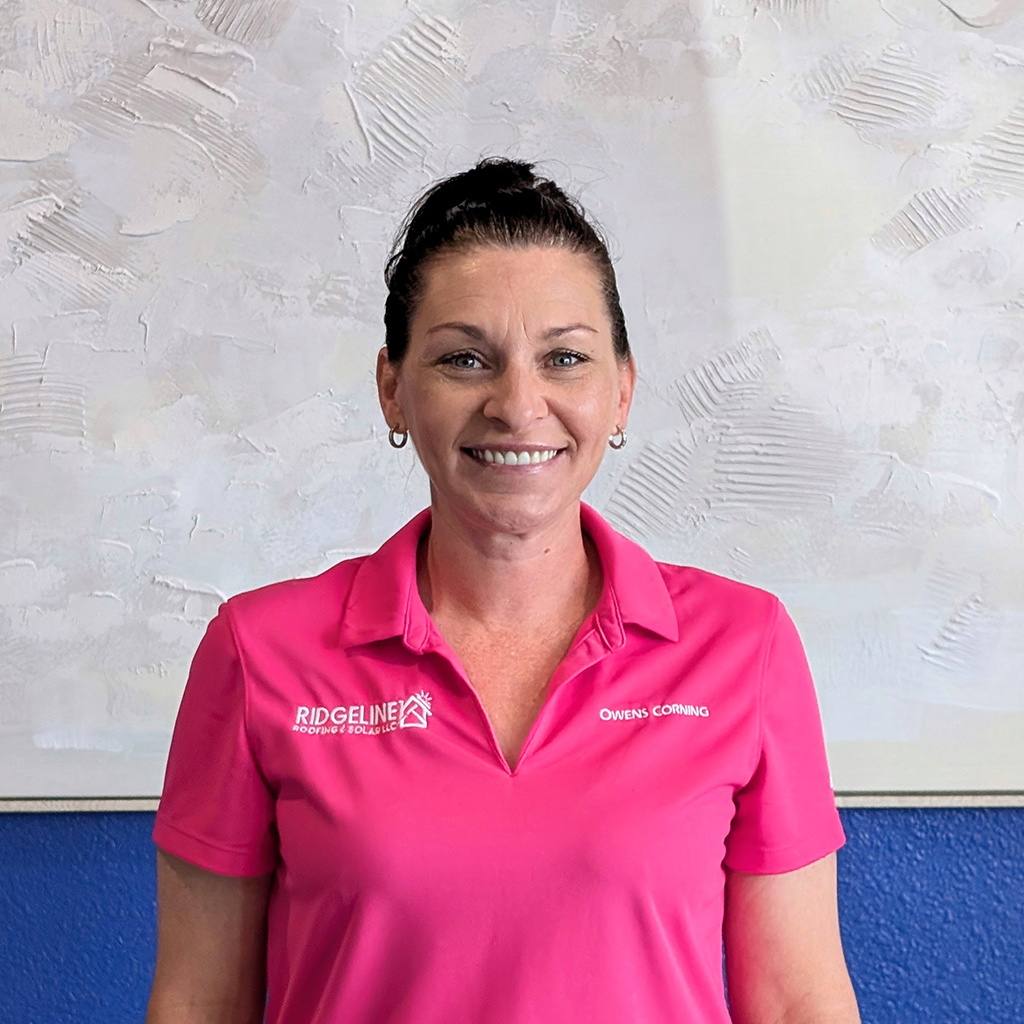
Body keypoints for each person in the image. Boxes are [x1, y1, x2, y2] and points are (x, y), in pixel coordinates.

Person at [146, 158, 861, 1024]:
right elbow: (197, 1002)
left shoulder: (743, 645)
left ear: (622, 391)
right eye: (464, 359)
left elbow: (795, 1003)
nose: (519, 405)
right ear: (392, 390)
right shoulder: (260, 652)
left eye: (564, 358)